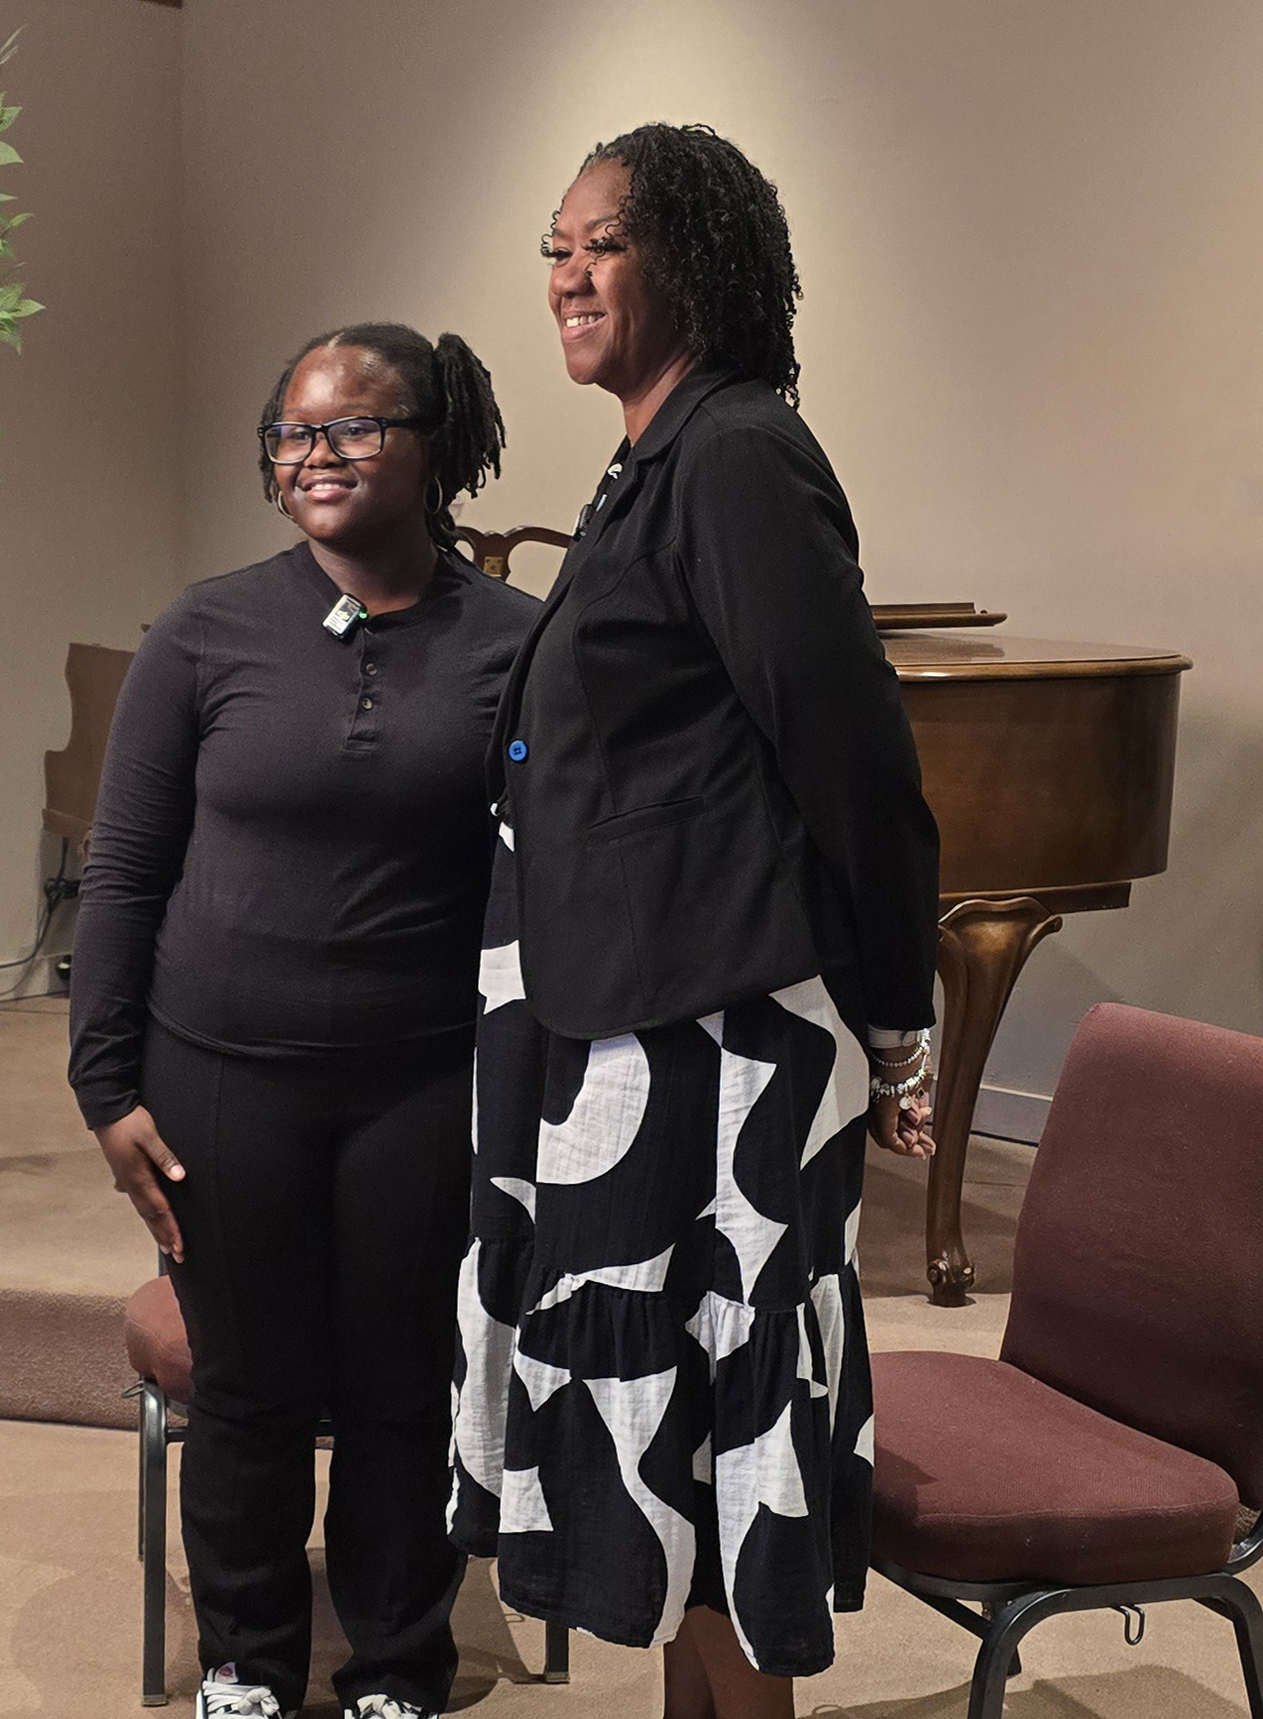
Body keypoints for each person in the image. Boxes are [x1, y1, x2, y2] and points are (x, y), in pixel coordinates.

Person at [449, 125, 941, 1719]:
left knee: (727, 1444)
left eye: (607, 241)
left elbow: (852, 755)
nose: (569, 275)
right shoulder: (648, 459)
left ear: (697, 262)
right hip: (624, 1028)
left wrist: (894, 1014)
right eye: (557, 244)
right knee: (662, 1450)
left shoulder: (734, 453)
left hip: (717, 1046)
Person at [69, 323, 538, 1719]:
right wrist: (106, 1091)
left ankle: (399, 1667)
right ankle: (249, 1668)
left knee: (405, 1390)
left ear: (436, 444)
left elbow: (552, 882)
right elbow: (125, 873)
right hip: (220, 1082)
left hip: (424, 1085)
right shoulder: (203, 631)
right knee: (254, 1391)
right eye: (293, 432)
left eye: (353, 427)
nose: (315, 455)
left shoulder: (520, 644)